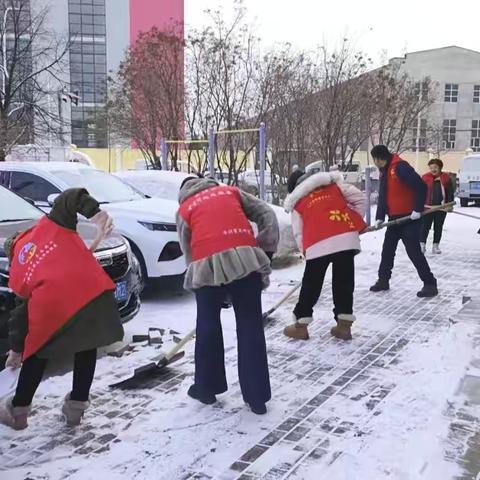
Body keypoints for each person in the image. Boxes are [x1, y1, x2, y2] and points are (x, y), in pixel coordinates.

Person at [0, 189, 124, 430]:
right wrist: (97, 215)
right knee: (86, 346)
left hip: (55, 307)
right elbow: (71, 197)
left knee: (38, 353)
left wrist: (17, 350)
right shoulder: (50, 226)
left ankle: (18, 413)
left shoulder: (18, 271)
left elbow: (21, 315)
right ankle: (75, 410)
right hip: (92, 294)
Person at [177, 176, 279, 415]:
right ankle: (257, 398)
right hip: (246, 261)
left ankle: (206, 388)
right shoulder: (231, 192)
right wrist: (264, 249)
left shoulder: (184, 209)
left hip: (206, 266)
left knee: (207, 326)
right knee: (250, 327)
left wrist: (207, 283)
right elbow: (268, 214)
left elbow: (188, 249)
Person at [282, 169, 366, 341]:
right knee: (344, 282)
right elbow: (360, 199)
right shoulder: (335, 186)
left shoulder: (297, 202)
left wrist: (306, 252)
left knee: (311, 285)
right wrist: (352, 222)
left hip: (317, 244)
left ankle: (300, 326)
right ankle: (344, 327)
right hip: (345, 239)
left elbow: (299, 233)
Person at [369, 145, 438, 297]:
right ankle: (383, 280)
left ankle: (430, 284)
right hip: (394, 219)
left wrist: (417, 209)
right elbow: (383, 195)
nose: (375, 162)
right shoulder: (385, 171)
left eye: (376, 159)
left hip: (409, 219)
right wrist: (380, 216)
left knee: (414, 252)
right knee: (387, 251)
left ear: (381, 158)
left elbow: (421, 186)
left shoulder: (400, 167)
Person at [421, 158, 454, 254]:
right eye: (431, 167)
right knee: (425, 227)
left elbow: (450, 193)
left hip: (441, 207)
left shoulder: (446, 178)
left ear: (440, 167)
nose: (433, 169)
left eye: (435, 167)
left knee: (438, 227)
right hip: (427, 207)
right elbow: (420, 192)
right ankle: (422, 245)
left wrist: (449, 205)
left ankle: (435, 246)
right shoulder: (425, 178)